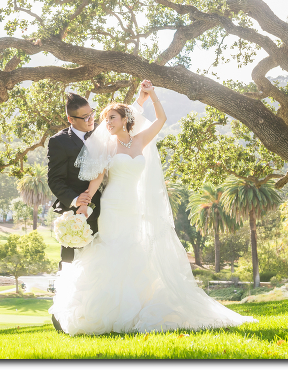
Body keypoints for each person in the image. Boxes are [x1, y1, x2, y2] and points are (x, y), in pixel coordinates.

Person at [48, 81, 257, 335]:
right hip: (111, 207)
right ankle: (93, 313)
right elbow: (95, 179)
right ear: (72, 118)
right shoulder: (102, 144)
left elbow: (157, 118)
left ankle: (135, 309)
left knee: (136, 255)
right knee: (108, 254)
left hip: (134, 207)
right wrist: (82, 204)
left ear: (124, 120)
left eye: (105, 117)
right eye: (95, 118)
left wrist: (150, 96)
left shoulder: (138, 140)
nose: (101, 122)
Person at [47, 91, 103, 332]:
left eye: (92, 114)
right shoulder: (59, 142)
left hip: (106, 209)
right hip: (75, 215)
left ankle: (98, 314)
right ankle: (62, 316)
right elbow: (55, 180)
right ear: (71, 119)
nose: (91, 120)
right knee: (69, 262)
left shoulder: (102, 134)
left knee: (101, 262)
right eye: (84, 117)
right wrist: (75, 200)